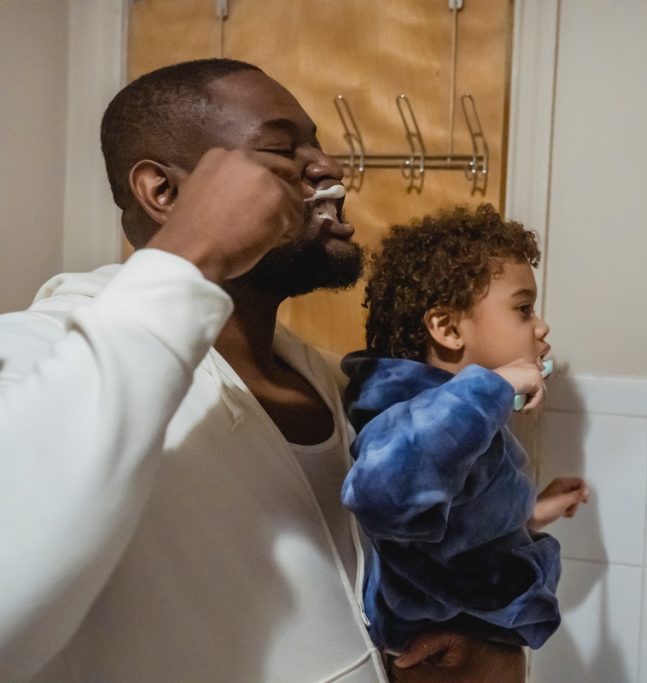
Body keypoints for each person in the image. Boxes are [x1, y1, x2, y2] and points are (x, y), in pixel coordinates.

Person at [0, 59, 531, 683]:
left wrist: (459, 646)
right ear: (164, 193)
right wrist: (193, 251)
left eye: (319, 145)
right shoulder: (36, 348)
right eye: (282, 148)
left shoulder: (328, 380)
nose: (330, 168)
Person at [341, 204, 589, 680]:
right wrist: (493, 387)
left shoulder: (459, 417)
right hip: (435, 661)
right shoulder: (411, 408)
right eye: (523, 308)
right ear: (449, 329)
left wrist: (533, 511)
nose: (541, 327)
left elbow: (456, 530)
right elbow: (382, 493)